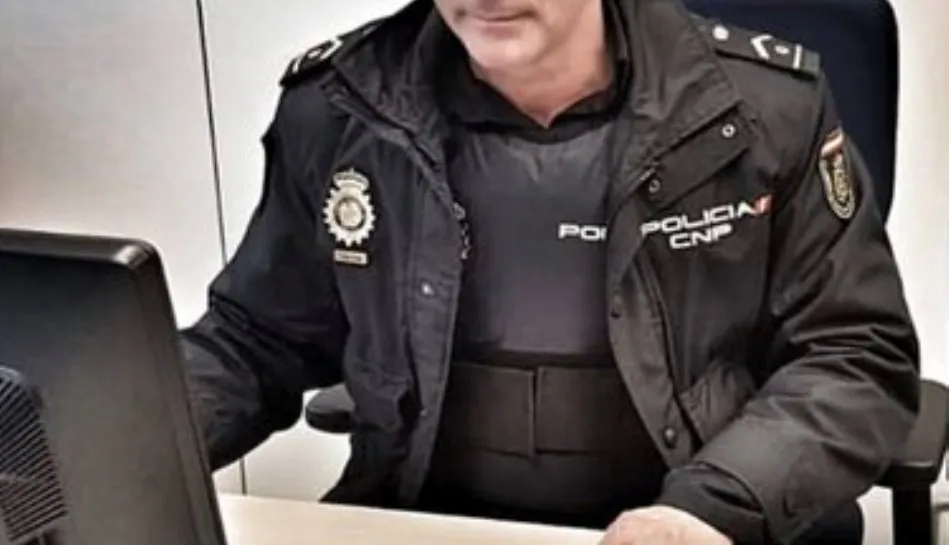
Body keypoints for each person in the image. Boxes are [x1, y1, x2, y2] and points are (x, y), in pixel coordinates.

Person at [180, 0, 921, 544]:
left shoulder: (764, 109)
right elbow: (257, 338)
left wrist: (719, 506)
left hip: (703, 519)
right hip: (421, 519)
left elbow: (853, 354)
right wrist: (117, 439)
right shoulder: (344, 108)